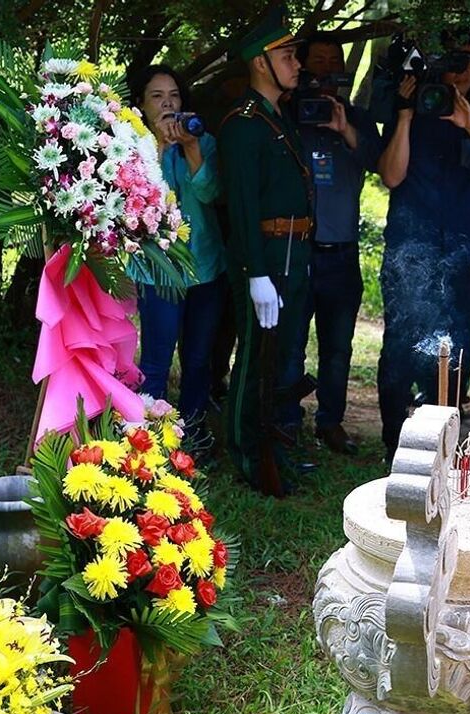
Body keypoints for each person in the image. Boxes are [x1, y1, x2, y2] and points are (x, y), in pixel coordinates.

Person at [374, 35, 470, 452]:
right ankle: (393, 438)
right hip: (409, 249)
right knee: (400, 342)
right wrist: (406, 116)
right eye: (454, 60)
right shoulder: (412, 111)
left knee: (454, 348)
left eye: (469, 60)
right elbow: (391, 176)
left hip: (456, 254)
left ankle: (438, 440)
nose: (461, 68)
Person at [217, 12, 312, 489]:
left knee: (279, 359)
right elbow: (242, 205)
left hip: (292, 253)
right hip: (265, 257)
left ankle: (271, 445)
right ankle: (246, 452)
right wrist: (256, 272)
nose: (297, 64)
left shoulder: (277, 118)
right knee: (255, 357)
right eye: (286, 56)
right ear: (260, 63)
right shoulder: (244, 125)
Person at [127, 65, 227, 450]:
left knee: (199, 359)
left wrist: (190, 148)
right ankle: (150, 442)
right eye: (157, 96)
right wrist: (162, 148)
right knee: (155, 360)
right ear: (140, 104)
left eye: (174, 96)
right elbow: (138, 204)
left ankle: (193, 433)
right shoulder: (132, 147)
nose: (168, 104)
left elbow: (209, 194)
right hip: (157, 271)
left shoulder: (205, 141)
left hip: (204, 268)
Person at [293, 35, 380, 456]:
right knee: (291, 341)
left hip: (342, 253)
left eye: (334, 62)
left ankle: (331, 422)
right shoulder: (291, 114)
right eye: (319, 61)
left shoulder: (359, 119)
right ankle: (285, 419)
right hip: (299, 251)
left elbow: (380, 167)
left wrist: (346, 129)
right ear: (304, 66)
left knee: (338, 348)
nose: (326, 70)